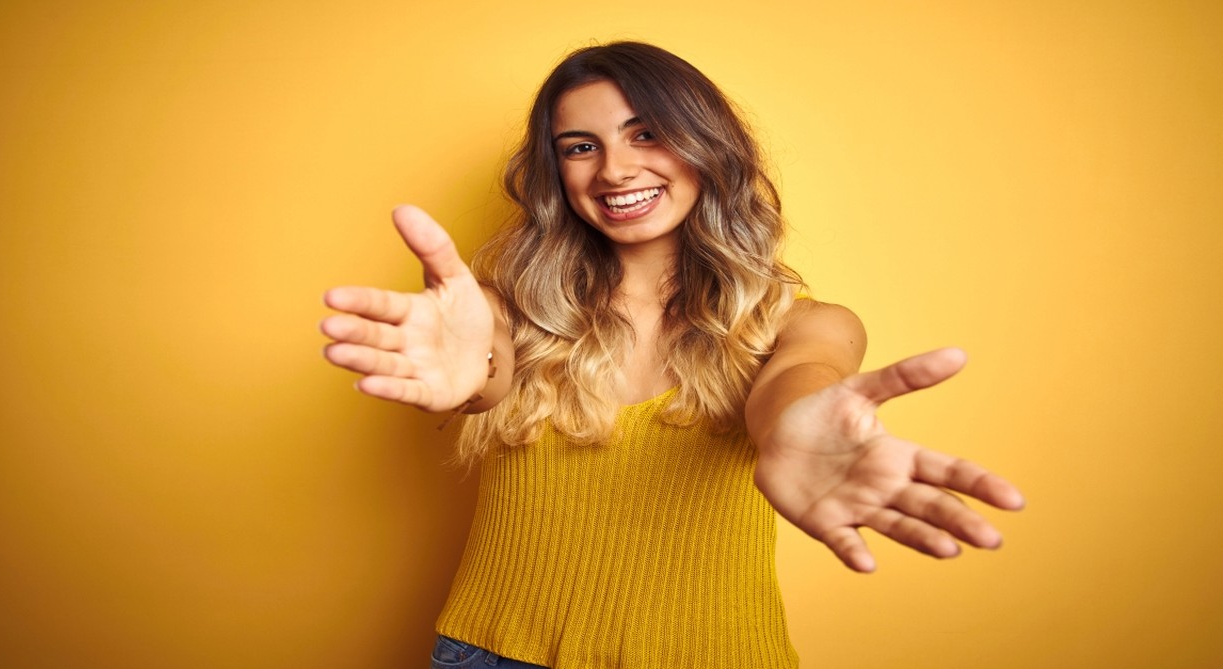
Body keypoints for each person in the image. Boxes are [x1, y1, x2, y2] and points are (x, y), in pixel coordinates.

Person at [321, 41, 1024, 669]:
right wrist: (469, 370)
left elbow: (801, 383)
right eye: (579, 146)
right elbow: (485, 368)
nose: (615, 168)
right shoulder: (502, 309)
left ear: (705, 146)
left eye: (646, 134)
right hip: (492, 654)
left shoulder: (803, 324)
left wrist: (801, 422)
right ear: (555, 172)